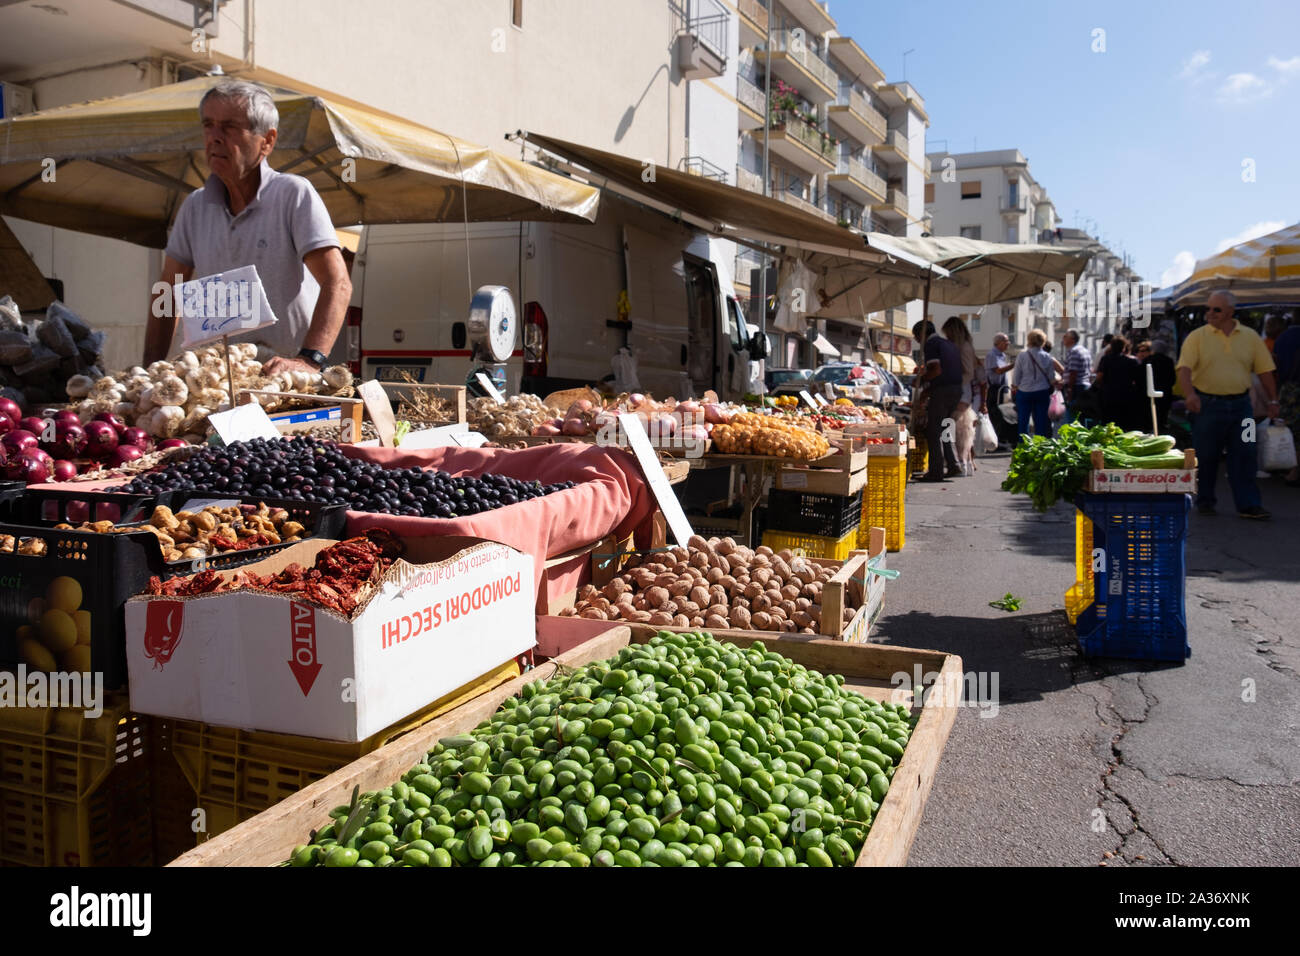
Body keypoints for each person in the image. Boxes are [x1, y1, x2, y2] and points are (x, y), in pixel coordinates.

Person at [144, 81, 351, 376]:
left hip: (282, 377)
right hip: (214, 379)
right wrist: (148, 370)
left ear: (266, 141)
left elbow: (338, 283)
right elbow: (167, 292)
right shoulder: (195, 206)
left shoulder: (293, 194)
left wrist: (310, 359)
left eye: (229, 127)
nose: (214, 137)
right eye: (208, 125)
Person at [1176, 290, 1279, 519]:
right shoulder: (1197, 337)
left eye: (1217, 309)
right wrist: (1190, 395)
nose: (1209, 314)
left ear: (1231, 312)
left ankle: (1249, 504)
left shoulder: (1251, 337)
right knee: (1206, 455)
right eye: (1208, 309)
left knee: (1247, 453)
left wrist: (1273, 400)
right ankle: (1205, 501)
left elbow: (1265, 370)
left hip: (1243, 407)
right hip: (1207, 406)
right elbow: (1184, 370)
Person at [912, 320, 962, 481]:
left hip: (944, 391)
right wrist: (926, 392)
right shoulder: (948, 344)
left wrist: (920, 380)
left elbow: (936, 371)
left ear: (922, 333)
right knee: (945, 428)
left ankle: (936, 471)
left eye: (916, 336)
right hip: (956, 390)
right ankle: (953, 465)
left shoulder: (931, 344)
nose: (916, 341)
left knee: (933, 432)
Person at [941, 316, 979, 474]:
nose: (947, 337)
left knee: (955, 430)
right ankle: (962, 464)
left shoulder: (964, 347)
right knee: (958, 430)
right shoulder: (964, 346)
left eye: (948, 333)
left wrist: (952, 383)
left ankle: (959, 464)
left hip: (961, 393)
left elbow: (969, 372)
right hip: (961, 393)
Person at [1011, 328, 1063, 440]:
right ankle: (1040, 446)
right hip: (1042, 392)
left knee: (1023, 421)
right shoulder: (1047, 356)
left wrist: (1015, 386)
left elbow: (1016, 376)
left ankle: (1023, 446)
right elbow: (1051, 378)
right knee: (1041, 422)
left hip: (1024, 392)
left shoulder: (1022, 356)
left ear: (1029, 340)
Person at [1094, 335, 1145, 432]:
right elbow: (1138, 380)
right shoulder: (1132, 361)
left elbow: (1099, 377)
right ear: (1124, 347)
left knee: (1108, 425)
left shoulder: (1106, 359)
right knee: (1124, 425)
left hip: (1108, 397)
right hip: (1126, 396)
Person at [1274, 316, 1300, 486]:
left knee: (1291, 430)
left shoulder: (1285, 337)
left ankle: (1292, 468)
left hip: (1290, 389)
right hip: (1292, 388)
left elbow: (1275, 364)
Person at [1135, 339, 1176, 434]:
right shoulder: (1168, 361)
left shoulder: (1147, 361)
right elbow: (1172, 379)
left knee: (1150, 416)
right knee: (1162, 417)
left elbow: (1139, 378)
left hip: (1147, 395)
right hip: (1164, 395)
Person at [984, 333, 1016, 448]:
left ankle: (1000, 438)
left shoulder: (1002, 355)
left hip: (1001, 389)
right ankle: (995, 440)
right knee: (994, 414)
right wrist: (1013, 365)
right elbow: (998, 371)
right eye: (1005, 341)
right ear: (998, 342)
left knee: (1000, 414)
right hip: (993, 389)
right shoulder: (992, 354)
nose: (1008, 343)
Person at [1061, 328, 1094, 422]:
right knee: (1081, 418)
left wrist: (1070, 390)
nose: (1063, 338)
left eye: (1065, 336)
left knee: (1073, 419)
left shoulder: (1073, 351)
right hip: (1085, 386)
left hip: (1076, 387)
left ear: (1072, 339)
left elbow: (1073, 373)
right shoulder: (1084, 350)